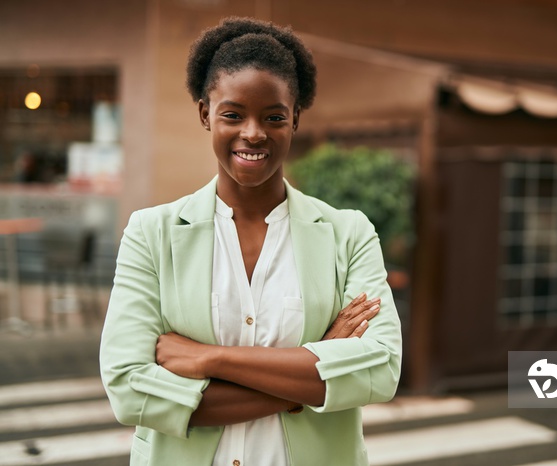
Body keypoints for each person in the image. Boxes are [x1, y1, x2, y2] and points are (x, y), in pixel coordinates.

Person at [99, 16, 402, 466]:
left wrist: (210, 359)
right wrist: (309, 374)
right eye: (233, 114)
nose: (253, 132)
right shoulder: (151, 234)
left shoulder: (348, 233)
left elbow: (379, 368)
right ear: (206, 114)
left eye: (274, 116)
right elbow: (129, 389)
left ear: (295, 118)